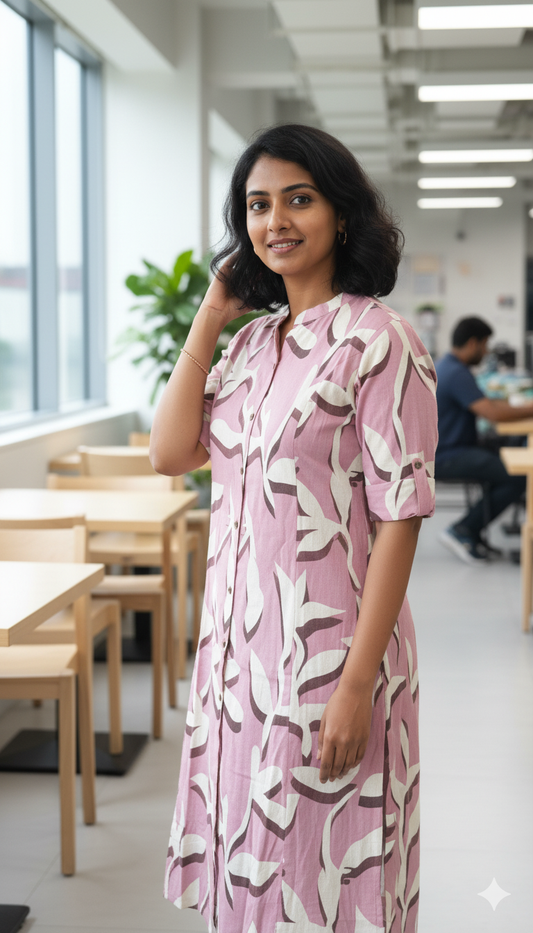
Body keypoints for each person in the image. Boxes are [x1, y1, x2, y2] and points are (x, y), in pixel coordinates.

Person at [150, 124, 438, 933]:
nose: (275, 219)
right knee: (250, 868)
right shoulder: (247, 347)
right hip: (238, 660)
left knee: (327, 874)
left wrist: (354, 684)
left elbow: (401, 518)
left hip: (329, 658)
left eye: (298, 199)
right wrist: (212, 312)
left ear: (340, 215)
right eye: (257, 204)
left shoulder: (378, 341)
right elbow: (171, 452)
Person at [436, 316, 532, 564]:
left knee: (506, 463)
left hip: (452, 448)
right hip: (448, 455)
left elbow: (487, 404)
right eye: (485, 344)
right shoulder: (456, 373)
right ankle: (464, 529)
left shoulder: (449, 366)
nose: (486, 351)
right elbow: (493, 414)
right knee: (519, 476)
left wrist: (518, 405)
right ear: (473, 343)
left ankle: (472, 531)